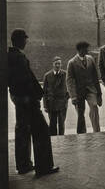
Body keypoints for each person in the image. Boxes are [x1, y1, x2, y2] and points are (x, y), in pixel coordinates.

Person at [8, 28, 59, 177]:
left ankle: (23, 165)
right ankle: (43, 167)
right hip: (28, 100)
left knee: (22, 130)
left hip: (18, 98)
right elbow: (27, 81)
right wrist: (35, 97)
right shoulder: (19, 57)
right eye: (24, 39)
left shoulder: (8, 56)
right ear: (19, 40)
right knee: (42, 130)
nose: (26, 41)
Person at [66, 41, 102, 134]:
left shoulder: (90, 59)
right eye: (86, 49)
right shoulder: (72, 62)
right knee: (80, 114)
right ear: (80, 50)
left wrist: (99, 94)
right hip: (79, 93)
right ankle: (82, 134)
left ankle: (97, 132)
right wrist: (73, 96)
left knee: (94, 106)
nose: (88, 50)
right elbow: (69, 81)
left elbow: (95, 77)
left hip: (91, 90)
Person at [43, 56, 69, 135]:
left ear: (61, 65)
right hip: (51, 104)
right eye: (56, 64)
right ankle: (53, 142)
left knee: (61, 124)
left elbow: (70, 87)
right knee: (52, 124)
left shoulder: (65, 74)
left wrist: (66, 98)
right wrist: (45, 105)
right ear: (53, 64)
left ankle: (62, 141)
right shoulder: (47, 76)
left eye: (59, 64)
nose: (58, 65)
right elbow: (44, 92)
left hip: (62, 103)